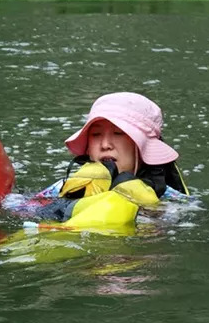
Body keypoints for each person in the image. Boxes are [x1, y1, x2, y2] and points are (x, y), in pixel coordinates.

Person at [35, 92, 189, 225]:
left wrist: (146, 211)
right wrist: (62, 206)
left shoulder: (170, 199)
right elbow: (20, 209)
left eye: (119, 133)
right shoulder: (62, 188)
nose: (105, 144)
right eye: (96, 135)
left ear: (143, 148)